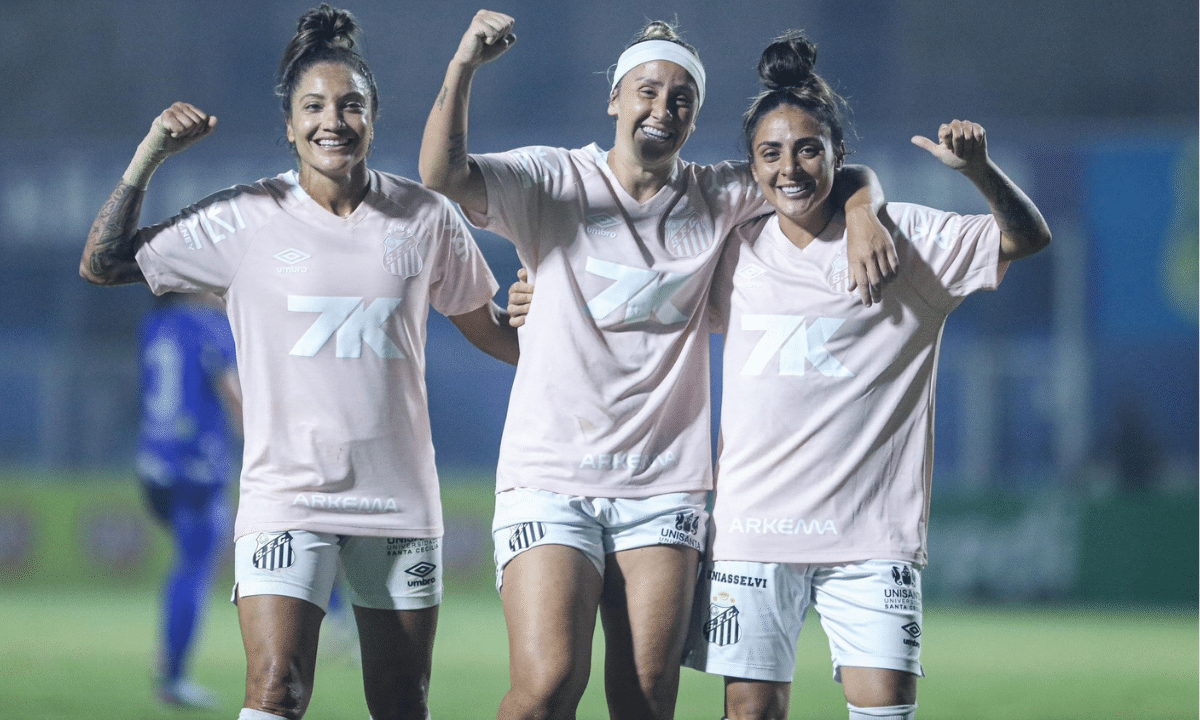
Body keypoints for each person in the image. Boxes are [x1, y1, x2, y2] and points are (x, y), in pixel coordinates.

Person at [419, 11, 897, 720]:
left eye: (681, 99)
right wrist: (463, 66)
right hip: (552, 477)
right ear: (615, 98)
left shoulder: (717, 194)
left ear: (695, 115)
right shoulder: (552, 179)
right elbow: (442, 174)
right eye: (647, 91)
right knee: (548, 684)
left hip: (665, 489)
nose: (661, 108)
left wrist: (863, 210)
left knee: (645, 700)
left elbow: (826, 163)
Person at [80, 5, 519, 720]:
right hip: (286, 499)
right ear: (289, 125)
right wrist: (151, 153)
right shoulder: (244, 217)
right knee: (277, 691)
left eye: (351, 105)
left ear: (373, 118)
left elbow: (496, 334)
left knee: (402, 704)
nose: (333, 121)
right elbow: (102, 263)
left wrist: (559, 319)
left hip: (401, 501)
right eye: (313, 107)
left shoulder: (427, 217)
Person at [681, 33, 1052, 720]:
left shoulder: (907, 238)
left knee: (884, 711)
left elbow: (1027, 239)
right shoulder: (732, 251)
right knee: (749, 715)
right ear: (752, 167)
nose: (790, 167)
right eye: (771, 153)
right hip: (752, 533)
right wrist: (530, 298)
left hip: (870, 540)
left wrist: (980, 171)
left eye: (809, 149)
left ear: (839, 156)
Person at [137, 291, 240, 709]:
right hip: (195, 463)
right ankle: (173, 678)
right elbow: (234, 398)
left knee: (189, 562)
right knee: (195, 568)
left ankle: (167, 662)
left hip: (153, 463)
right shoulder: (210, 325)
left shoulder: (156, 324)